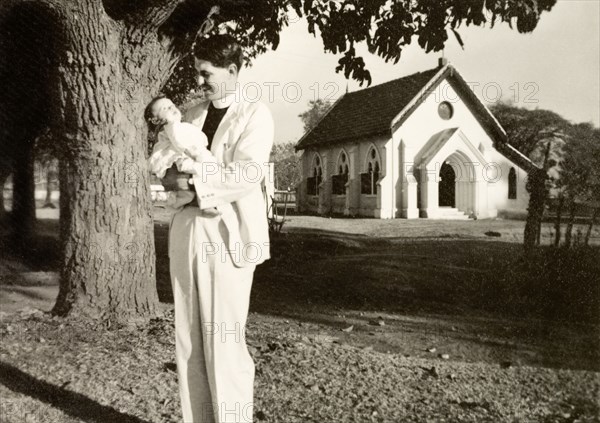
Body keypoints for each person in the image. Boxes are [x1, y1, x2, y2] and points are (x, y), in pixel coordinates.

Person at [163, 34, 274, 423]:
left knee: (224, 341)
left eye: (206, 74)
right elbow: (166, 167)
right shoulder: (190, 116)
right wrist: (173, 181)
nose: (199, 82)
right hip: (188, 232)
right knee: (189, 338)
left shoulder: (254, 114)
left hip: (229, 237)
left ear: (232, 70)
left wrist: (192, 187)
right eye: (197, 73)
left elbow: (245, 174)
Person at [146, 95, 221, 216]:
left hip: (186, 155)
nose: (171, 108)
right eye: (165, 109)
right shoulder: (171, 126)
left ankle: (203, 202)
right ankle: (205, 203)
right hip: (183, 157)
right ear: (157, 120)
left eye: (171, 105)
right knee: (206, 171)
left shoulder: (179, 125)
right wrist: (195, 153)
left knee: (203, 177)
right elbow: (180, 142)